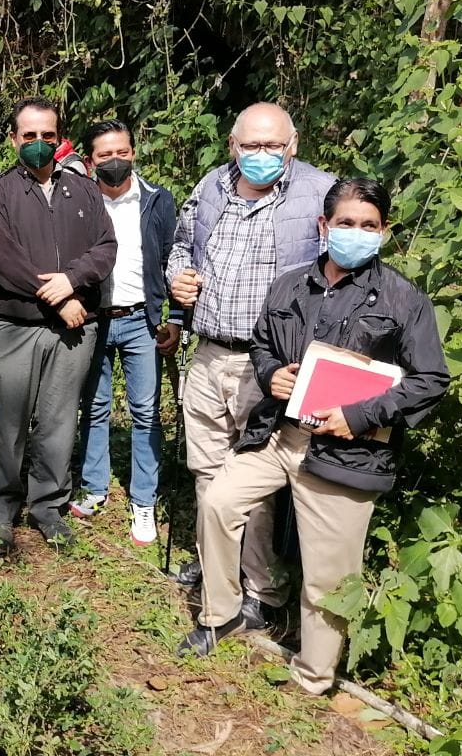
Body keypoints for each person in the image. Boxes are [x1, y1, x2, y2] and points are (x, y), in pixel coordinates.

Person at [177, 178, 449, 697]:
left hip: (345, 452)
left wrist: (361, 415)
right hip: (278, 435)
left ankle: (312, 678)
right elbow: (263, 344)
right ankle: (222, 613)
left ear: (384, 232)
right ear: (325, 226)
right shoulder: (290, 285)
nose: (356, 233)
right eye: (346, 222)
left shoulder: (404, 299)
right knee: (217, 501)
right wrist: (271, 374)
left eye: (368, 225)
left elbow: (430, 380)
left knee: (329, 575)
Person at [164, 103, 333, 617]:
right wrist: (178, 278)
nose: (262, 154)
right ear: (233, 146)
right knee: (207, 469)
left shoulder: (320, 194)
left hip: (269, 366)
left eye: (273, 145)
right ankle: (214, 563)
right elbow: (182, 245)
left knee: (254, 481)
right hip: (208, 353)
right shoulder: (212, 185)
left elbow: (342, 277)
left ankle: (260, 588)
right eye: (251, 145)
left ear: (293, 144)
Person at [0, 97, 117, 555]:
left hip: (74, 331)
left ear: (60, 139)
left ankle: (48, 507)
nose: (38, 142)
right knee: (9, 422)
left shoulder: (85, 191)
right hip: (15, 326)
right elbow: (4, 260)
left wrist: (73, 281)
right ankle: (1, 509)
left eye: (47, 135)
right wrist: (60, 299)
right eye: (29, 135)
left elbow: (105, 248)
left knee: (59, 422)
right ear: (13, 139)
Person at [72, 120, 181, 546]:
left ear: (133, 153)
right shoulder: (80, 201)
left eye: (122, 152)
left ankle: (144, 499)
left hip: (141, 320)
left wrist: (176, 318)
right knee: (94, 407)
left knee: (146, 410)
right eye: (105, 155)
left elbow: (174, 259)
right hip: (93, 319)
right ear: (90, 161)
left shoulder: (156, 200)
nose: (115, 161)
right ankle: (94, 486)